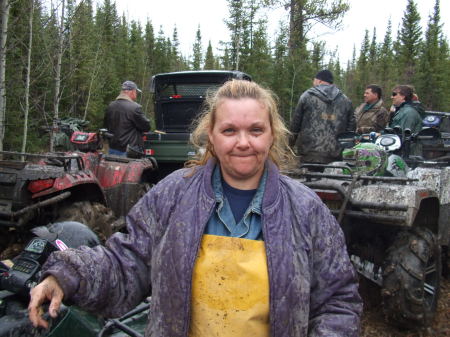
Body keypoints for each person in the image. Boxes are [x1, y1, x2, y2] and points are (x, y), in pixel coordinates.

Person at [29, 80, 362, 336]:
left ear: (272, 136)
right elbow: (125, 261)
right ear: (211, 137)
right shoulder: (173, 194)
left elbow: (338, 299)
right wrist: (66, 276)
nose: (243, 142)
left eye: (255, 130)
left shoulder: (305, 209)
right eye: (229, 130)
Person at [289, 69, 356, 164]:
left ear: (319, 81)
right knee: (334, 178)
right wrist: (346, 150)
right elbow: (351, 129)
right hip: (336, 156)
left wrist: (289, 146)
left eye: (314, 80)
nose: (313, 83)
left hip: (309, 154)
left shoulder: (307, 96)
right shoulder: (346, 100)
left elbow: (295, 124)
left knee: (308, 178)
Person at [104, 80, 150, 156]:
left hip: (112, 148)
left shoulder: (110, 106)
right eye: (136, 91)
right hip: (130, 151)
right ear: (131, 92)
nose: (136, 94)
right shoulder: (134, 108)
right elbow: (146, 127)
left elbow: (106, 125)